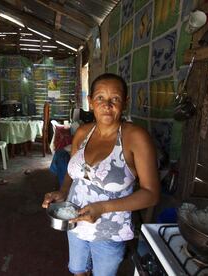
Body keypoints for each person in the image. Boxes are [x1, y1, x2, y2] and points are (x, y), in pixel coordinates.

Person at [42, 73, 160, 276]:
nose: (107, 105)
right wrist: (62, 191)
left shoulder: (135, 138)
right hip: (75, 221)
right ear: (90, 102)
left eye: (114, 99)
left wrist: (103, 207)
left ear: (125, 102)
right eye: (100, 98)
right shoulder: (82, 133)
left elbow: (151, 193)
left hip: (109, 231)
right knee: (78, 271)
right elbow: (74, 172)